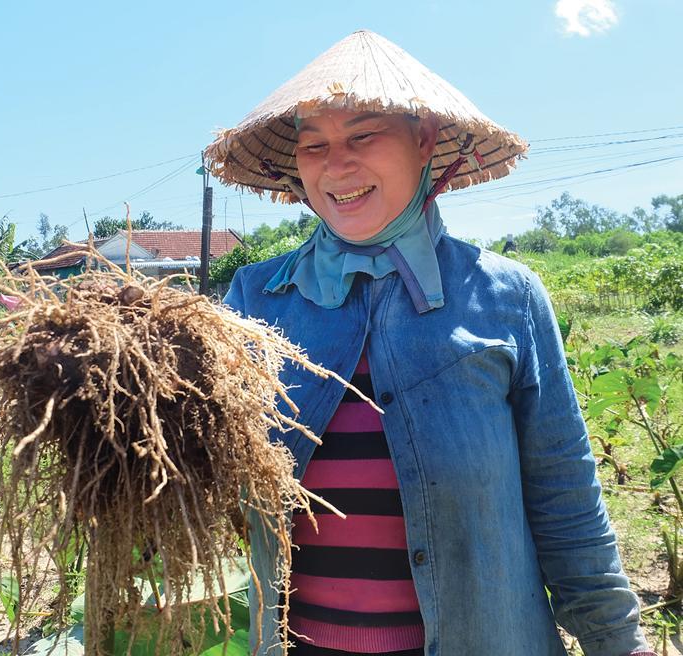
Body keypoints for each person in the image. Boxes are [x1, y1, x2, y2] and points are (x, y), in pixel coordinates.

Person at [204, 30, 653, 656]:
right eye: (315, 146)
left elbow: (564, 494)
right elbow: (204, 462)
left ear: (424, 141)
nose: (337, 164)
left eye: (363, 135)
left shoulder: (506, 297)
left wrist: (617, 641)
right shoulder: (256, 298)